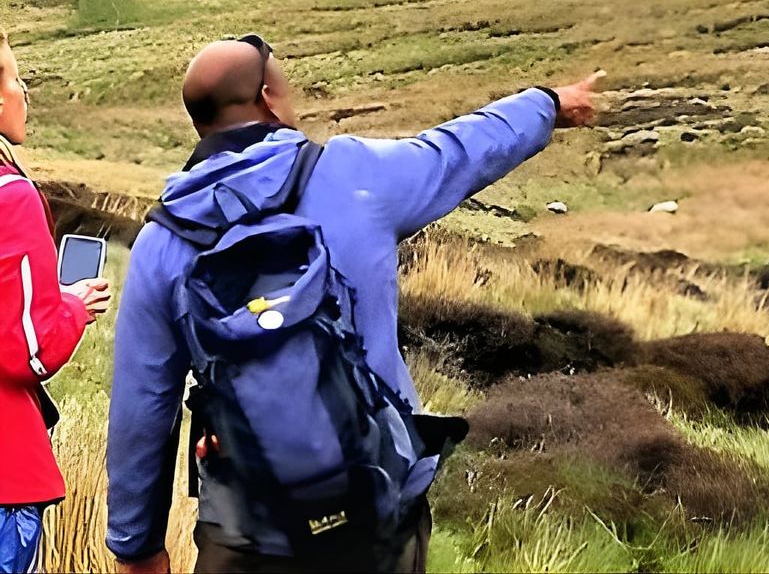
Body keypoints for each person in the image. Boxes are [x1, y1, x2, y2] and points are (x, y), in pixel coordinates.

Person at [106, 34, 602, 574]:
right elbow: (460, 150)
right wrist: (546, 105)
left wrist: (139, 547)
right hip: (378, 506)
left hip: (247, 527)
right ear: (269, 98)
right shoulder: (355, 173)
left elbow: (143, 407)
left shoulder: (163, 242)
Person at [0, 29, 111, 574]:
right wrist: (72, 307)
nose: (24, 92)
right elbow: (29, 351)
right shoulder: (11, 198)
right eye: (16, 79)